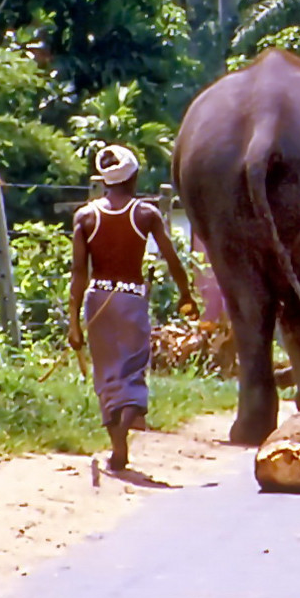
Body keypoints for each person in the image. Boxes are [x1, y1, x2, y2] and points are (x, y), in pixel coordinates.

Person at [68, 144, 194, 471]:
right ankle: (132, 410)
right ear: (134, 176)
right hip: (131, 297)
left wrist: (73, 323)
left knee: (106, 373)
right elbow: (172, 258)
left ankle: (118, 447)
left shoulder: (85, 216)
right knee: (134, 364)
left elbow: (79, 272)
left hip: (97, 299)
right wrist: (185, 294)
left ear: (104, 179)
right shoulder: (146, 214)